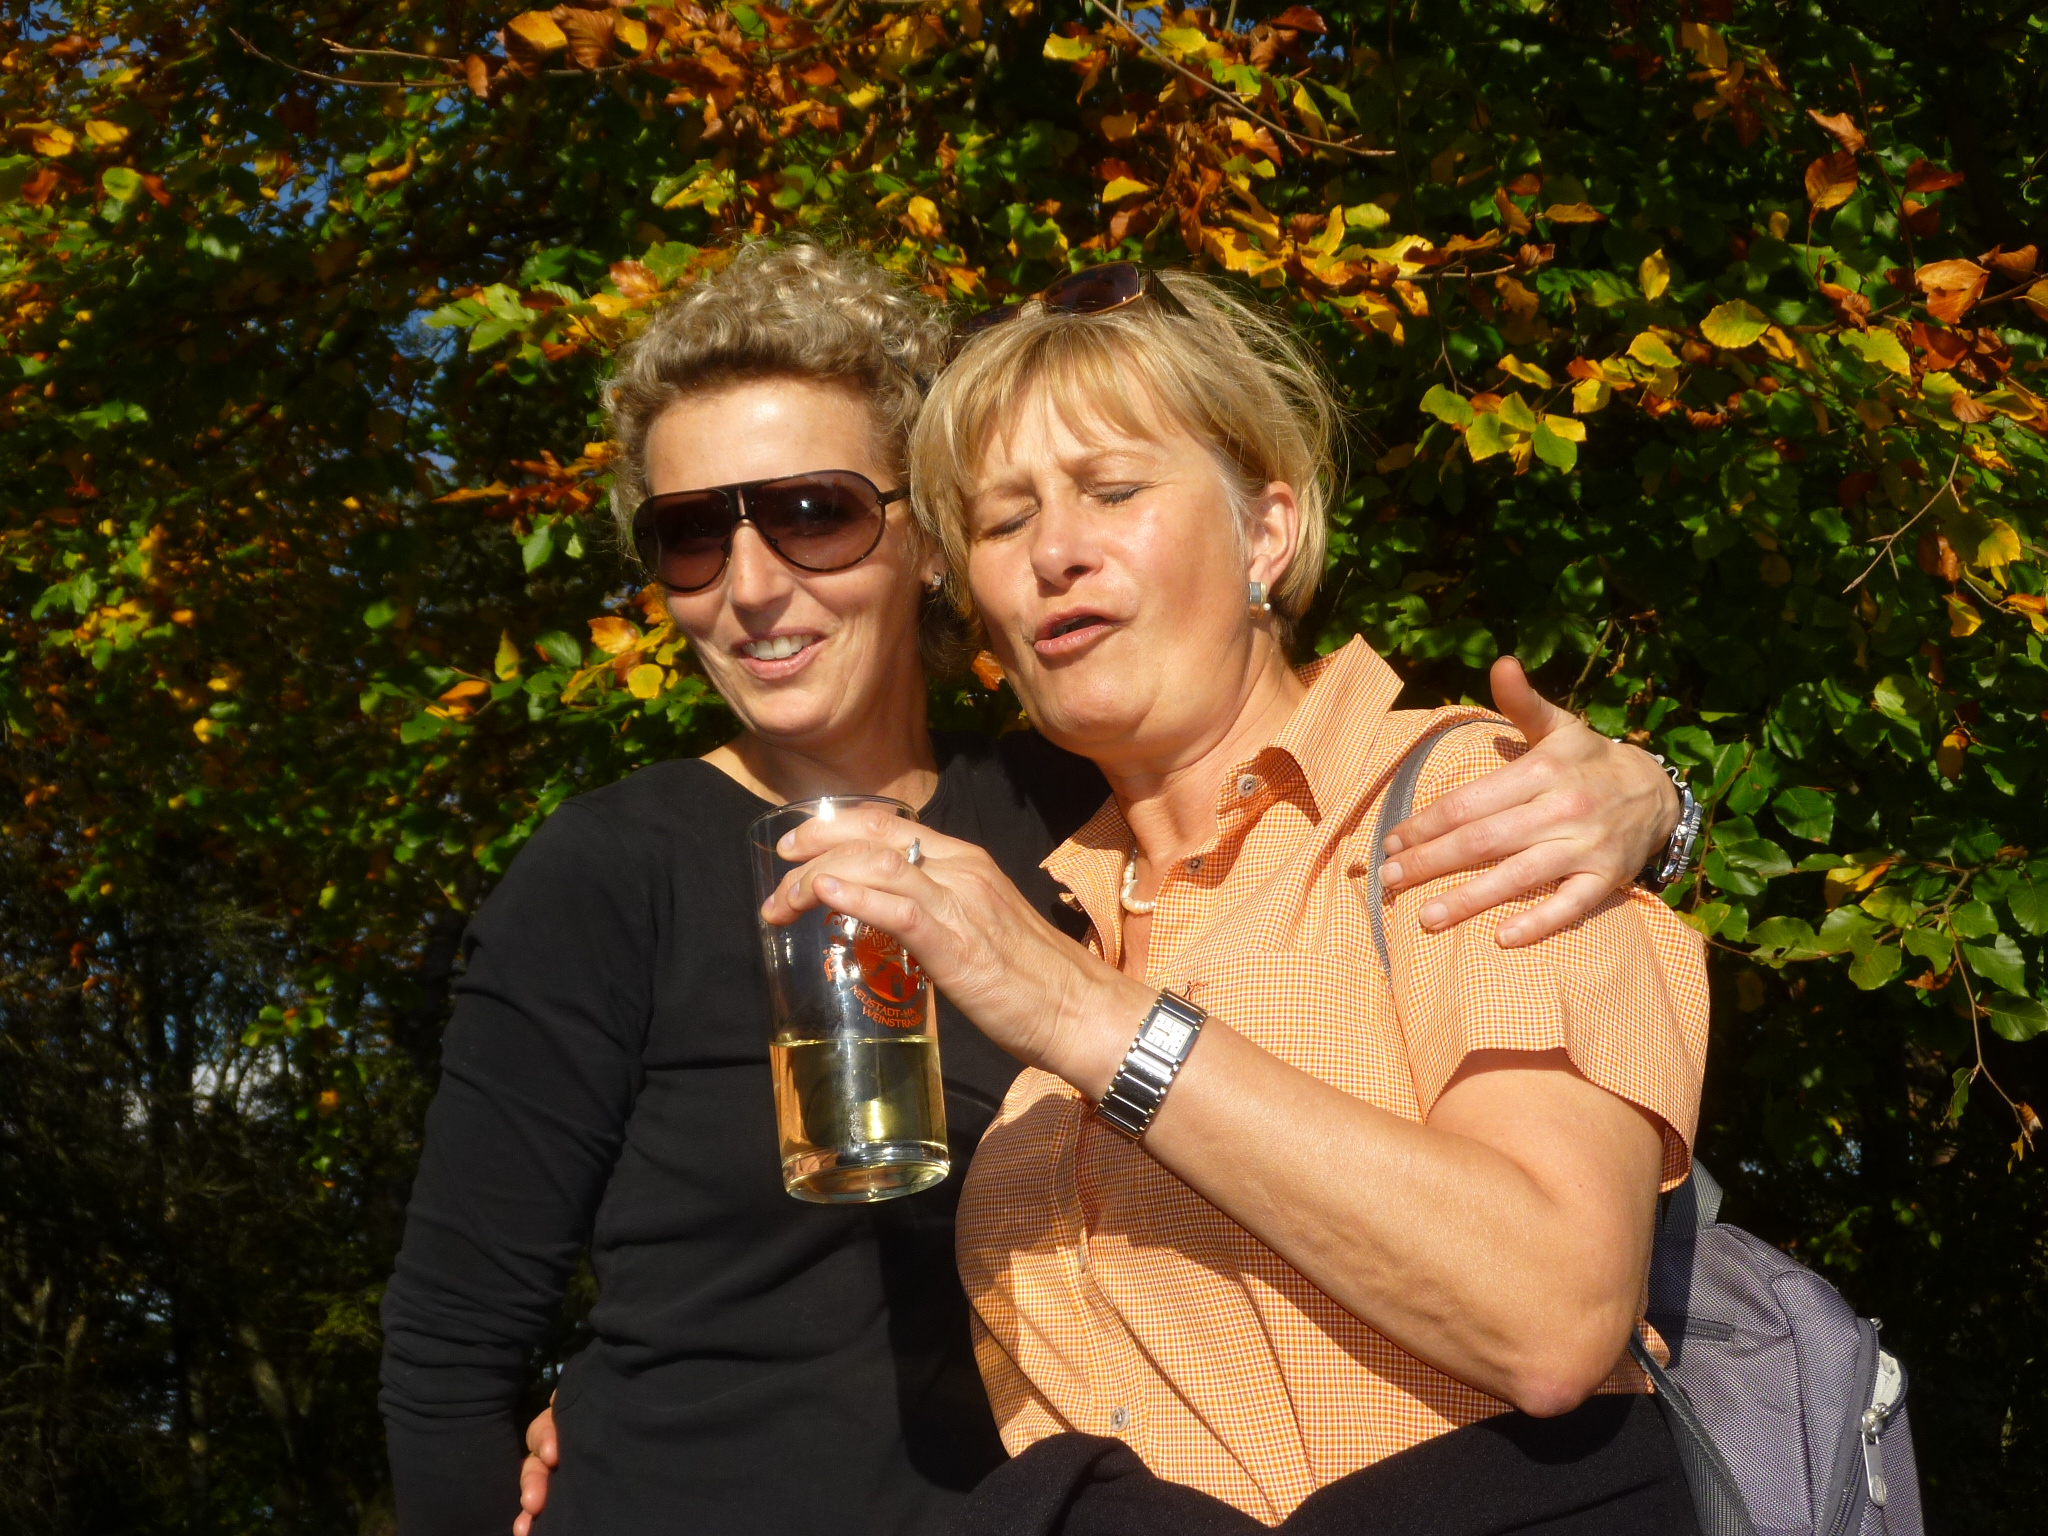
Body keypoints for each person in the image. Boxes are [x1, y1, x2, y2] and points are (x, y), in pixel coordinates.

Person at [378, 244, 1685, 1536]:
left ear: (922, 548)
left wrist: (1651, 802)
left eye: (814, 512)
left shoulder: (1096, 830)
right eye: (687, 535)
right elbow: (454, 1343)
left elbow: (1547, 1298)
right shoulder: (656, 864)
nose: (754, 582)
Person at [763, 265, 1709, 1533]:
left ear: (1265, 533)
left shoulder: (1454, 806)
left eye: (1112, 490)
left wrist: (1089, 1019)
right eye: (1001, 520)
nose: (1053, 551)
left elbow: (1553, 1317)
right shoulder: (1063, 897)